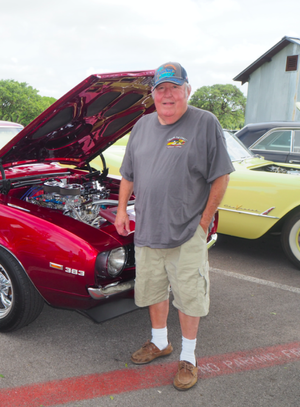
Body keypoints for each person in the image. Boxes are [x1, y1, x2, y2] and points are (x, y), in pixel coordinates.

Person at [114, 62, 234, 391]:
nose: (167, 95)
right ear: (152, 94)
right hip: (148, 229)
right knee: (154, 290)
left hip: (186, 232)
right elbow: (128, 174)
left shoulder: (204, 123)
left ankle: (189, 357)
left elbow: (220, 176)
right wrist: (122, 210)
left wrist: (204, 221)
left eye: (174, 88)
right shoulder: (141, 126)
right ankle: (160, 342)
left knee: (189, 296)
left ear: (187, 91)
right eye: (161, 89)